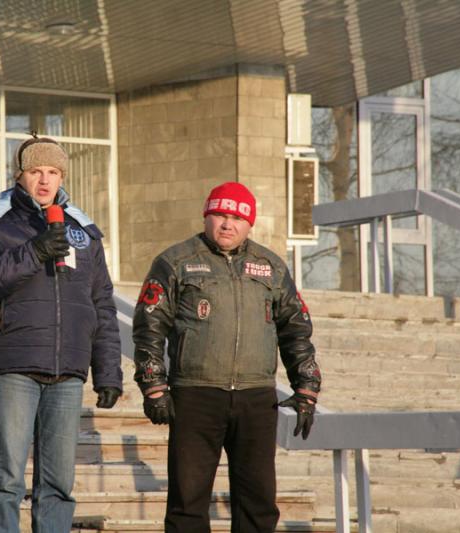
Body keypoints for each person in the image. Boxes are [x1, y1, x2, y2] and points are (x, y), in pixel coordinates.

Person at [132, 182, 322, 533]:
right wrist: (153, 385)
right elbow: (149, 327)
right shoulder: (175, 262)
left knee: (258, 503)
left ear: (250, 223)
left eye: (237, 218)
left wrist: (307, 387)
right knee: (187, 503)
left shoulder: (271, 267)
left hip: (256, 398)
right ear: (206, 216)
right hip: (195, 396)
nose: (227, 224)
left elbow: (296, 329)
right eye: (220, 215)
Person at [0, 134, 123, 533]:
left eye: (53, 172)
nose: (45, 180)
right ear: (20, 175)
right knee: (7, 479)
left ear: (62, 176)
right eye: (35, 171)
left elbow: (101, 302)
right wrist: (34, 251)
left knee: (58, 485)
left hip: (68, 371)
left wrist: (108, 371)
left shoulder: (83, 228)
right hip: (14, 363)